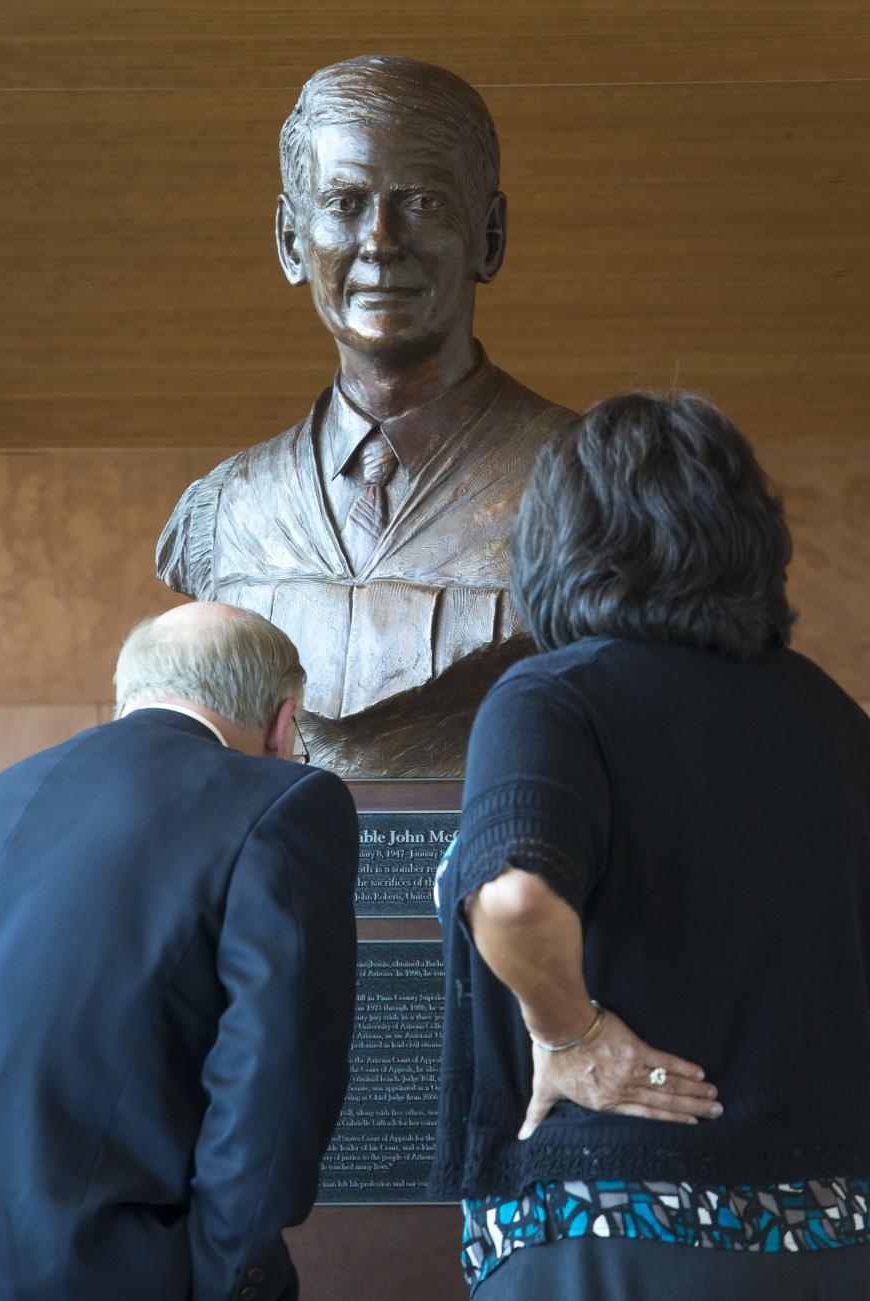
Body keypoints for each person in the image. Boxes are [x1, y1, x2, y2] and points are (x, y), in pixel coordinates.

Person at [430, 392, 870, 1297]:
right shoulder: (836, 716)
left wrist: (574, 1034)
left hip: (614, 1228)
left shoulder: (553, 695)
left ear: (559, 541)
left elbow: (515, 899)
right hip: (835, 1228)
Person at [0, 601, 358, 1301]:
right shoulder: (283, 804)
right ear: (281, 722)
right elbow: (273, 1084)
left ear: (130, 692)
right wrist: (225, 1282)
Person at [156, 55, 573, 778]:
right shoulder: (223, 513)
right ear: (291, 240)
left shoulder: (593, 488)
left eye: (424, 203)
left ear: (491, 237)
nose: (381, 240)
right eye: (344, 203)